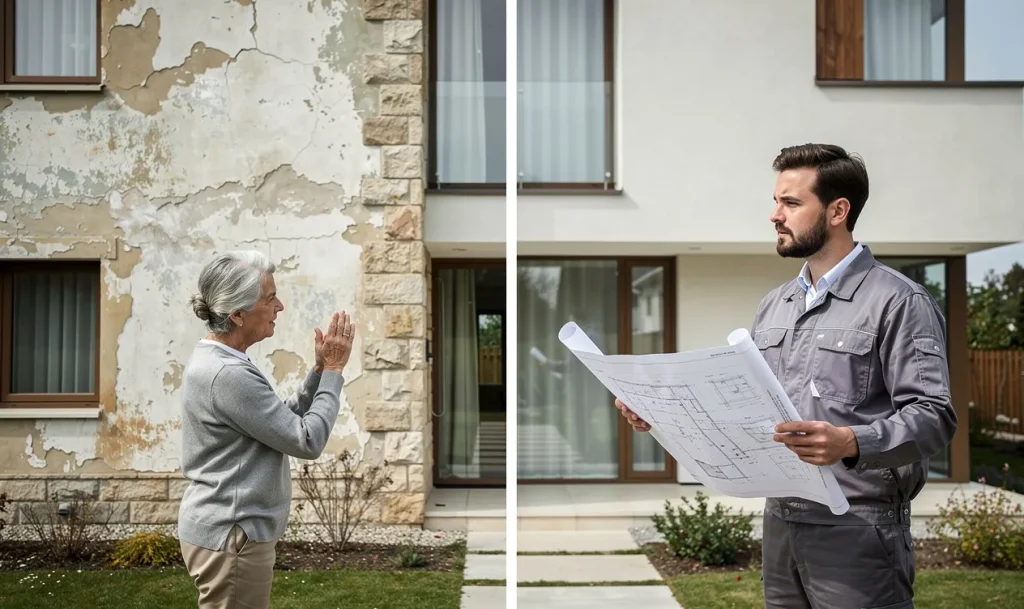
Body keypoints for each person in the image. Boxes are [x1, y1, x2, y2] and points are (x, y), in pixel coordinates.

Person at [616, 144, 957, 609]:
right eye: (776, 201)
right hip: (781, 525)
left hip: (857, 529)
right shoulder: (776, 305)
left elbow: (934, 417)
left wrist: (851, 442)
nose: (775, 215)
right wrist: (659, 414)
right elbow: (747, 410)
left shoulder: (898, 301)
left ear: (838, 210)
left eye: (791, 203)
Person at [177, 250, 355, 608]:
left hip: (227, 528)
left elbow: (274, 421)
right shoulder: (228, 374)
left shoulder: (222, 362)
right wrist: (334, 371)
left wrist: (319, 372)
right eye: (270, 299)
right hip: (233, 532)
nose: (280, 307)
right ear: (238, 314)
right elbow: (306, 439)